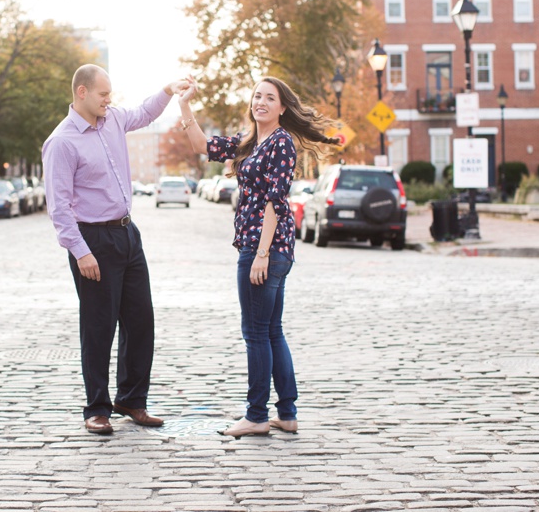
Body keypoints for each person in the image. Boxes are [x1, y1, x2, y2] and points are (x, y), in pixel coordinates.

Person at [177, 75, 339, 437]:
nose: (261, 102)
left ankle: (255, 415)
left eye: (270, 97)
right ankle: (287, 413)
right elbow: (203, 146)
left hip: (264, 248)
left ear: (282, 107)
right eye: (257, 96)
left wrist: (262, 254)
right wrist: (184, 104)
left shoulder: (280, 143)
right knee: (271, 331)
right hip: (265, 248)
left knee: (255, 333)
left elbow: (275, 201)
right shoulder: (251, 142)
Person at [42, 64, 188, 435]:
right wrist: (80, 251)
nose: (110, 100)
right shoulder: (62, 142)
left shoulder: (114, 120)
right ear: (82, 93)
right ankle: (96, 408)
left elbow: (144, 112)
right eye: (104, 94)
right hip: (93, 241)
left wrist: (167, 90)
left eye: (110, 95)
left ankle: (132, 400)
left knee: (141, 321)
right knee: (99, 326)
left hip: (127, 234)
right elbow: (59, 208)